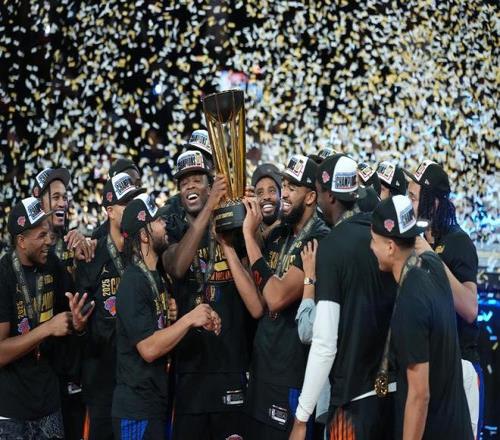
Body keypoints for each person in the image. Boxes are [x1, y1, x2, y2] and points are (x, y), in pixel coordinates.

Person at [290, 154, 397, 440]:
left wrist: (302, 416)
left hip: (352, 403)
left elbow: (324, 342)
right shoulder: (384, 238)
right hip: (391, 396)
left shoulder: (332, 246)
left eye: (319, 192)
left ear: (330, 196)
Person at [112, 192, 221, 439]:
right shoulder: (133, 281)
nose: (165, 224)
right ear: (144, 235)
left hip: (153, 401)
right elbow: (149, 348)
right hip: (136, 410)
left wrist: (196, 320)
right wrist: (188, 319)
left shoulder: (157, 276)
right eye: (158, 221)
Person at [162, 150, 250, 440]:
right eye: (184, 182)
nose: (189, 186)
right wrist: (209, 206)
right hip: (190, 368)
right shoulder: (173, 227)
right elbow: (177, 267)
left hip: (230, 363)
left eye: (197, 179)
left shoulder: (231, 222)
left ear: (210, 183)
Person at [240, 154, 329, 439]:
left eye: (292, 187)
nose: (285, 194)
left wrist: (249, 237)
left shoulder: (319, 239)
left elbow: (276, 297)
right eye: (285, 186)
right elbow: (260, 301)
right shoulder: (281, 233)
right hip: (262, 368)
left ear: (311, 196)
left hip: (291, 375)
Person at [369, 195, 473, 439]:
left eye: (373, 240)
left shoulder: (411, 297)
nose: (371, 247)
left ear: (390, 247)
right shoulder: (432, 266)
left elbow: (419, 395)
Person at [0, 197, 93, 439]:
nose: (49, 241)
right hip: (11, 411)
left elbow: (69, 315)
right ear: (21, 241)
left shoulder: (52, 264)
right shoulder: (4, 275)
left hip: (50, 402)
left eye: (48, 233)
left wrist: (78, 324)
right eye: (41, 235)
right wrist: (47, 328)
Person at [405, 160, 483, 437]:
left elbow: (470, 308)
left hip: (459, 367)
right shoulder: (418, 239)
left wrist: (430, 258)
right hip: (430, 366)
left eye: (413, 197)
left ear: (434, 203)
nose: (408, 203)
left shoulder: (458, 241)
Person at [76, 172, 146, 440]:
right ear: (109, 211)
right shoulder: (91, 254)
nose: (132, 208)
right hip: (103, 378)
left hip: (137, 375)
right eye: (125, 203)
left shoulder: (144, 250)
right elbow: (82, 318)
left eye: (135, 200)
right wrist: (80, 327)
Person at [33, 167, 94, 269]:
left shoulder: (72, 243)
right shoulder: (27, 249)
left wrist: (80, 259)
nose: (63, 204)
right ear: (39, 204)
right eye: (56, 197)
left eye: (65, 197)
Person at [91, 158, 142, 241]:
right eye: (127, 184)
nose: (134, 190)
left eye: (138, 184)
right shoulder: (100, 236)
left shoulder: (149, 223)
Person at [251, 163, 282, 239]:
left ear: (280, 194)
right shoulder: (246, 231)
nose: (266, 197)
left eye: (272, 191)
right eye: (260, 193)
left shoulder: (292, 229)